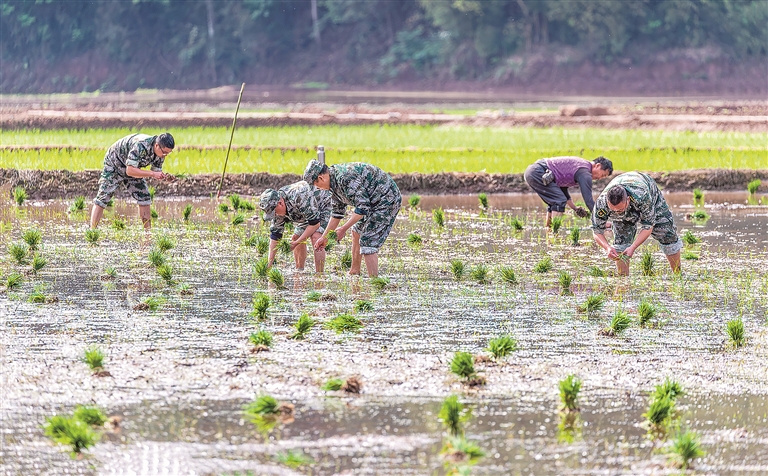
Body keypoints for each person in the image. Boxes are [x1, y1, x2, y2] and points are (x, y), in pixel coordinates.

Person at [304, 160, 401, 278]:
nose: (317, 188)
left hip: (386, 200)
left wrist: (343, 229)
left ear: (321, 178)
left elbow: (362, 208)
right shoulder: (333, 184)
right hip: (372, 202)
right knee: (356, 232)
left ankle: (375, 283)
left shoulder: (345, 178)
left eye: (315, 184)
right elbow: (337, 213)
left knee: (367, 241)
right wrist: (324, 237)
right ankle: (354, 271)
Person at [592, 171, 683, 276]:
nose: (617, 212)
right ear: (607, 202)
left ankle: (677, 275)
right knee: (621, 242)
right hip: (625, 194)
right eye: (613, 210)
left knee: (666, 233)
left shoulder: (642, 196)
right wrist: (607, 247)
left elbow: (648, 226)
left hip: (647, 187)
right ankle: (623, 280)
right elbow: (596, 230)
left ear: (628, 200)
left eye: (620, 210)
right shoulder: (601, 203)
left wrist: (633, 247)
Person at [90, 132, 177, 230]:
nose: (165, 155)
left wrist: (165, 177)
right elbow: (130, 170)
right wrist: (152, 174)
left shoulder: (160, 154)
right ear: (157, 145)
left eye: (168, 153)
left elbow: (155, 172)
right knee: (103, 196)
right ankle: (92, 231)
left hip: (133, 167)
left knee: (144, 196)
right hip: (115, 163)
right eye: (164, 152)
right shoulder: (140, 145)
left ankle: (148, 233)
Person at [259, 181, 331, 273]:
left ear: (280, 203)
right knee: (296, 236)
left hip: (324, 204)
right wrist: (268, 265)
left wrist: (296, 243)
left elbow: (314, 224)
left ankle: (319, 275)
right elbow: (275, 236)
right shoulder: (276, 207)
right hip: (308, 211)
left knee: (316, 236)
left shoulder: (298, 196)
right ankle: (299, 271)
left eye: (275, 212)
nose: (275, 215)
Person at [524, 156, 613, 227]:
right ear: (597, 166)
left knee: (555, 202)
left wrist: (575, 208)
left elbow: (562, 190)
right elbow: (589, 201)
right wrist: (602, 221)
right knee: (559, 201)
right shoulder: (585, 173)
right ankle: (554, 233)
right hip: (539, 172)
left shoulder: (581, 166)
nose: (600, 178)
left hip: (534, 171)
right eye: (603, 175)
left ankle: (549, 232)